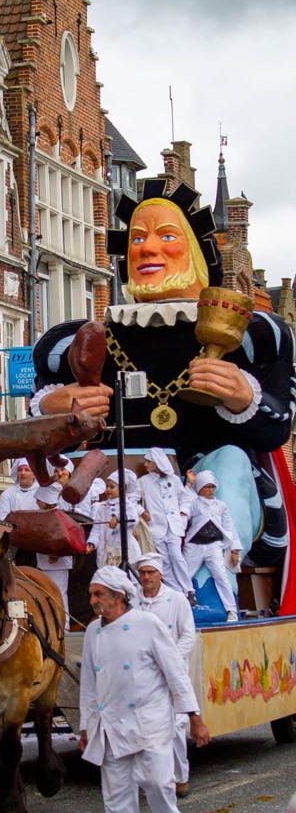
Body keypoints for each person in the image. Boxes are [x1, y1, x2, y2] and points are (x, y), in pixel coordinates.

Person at [30, 181, 294, 572]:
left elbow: (278, 427)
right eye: (138, 239)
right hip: (113, 490)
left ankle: (210, 589)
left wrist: (242, 396)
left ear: (198, 256)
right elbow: (39, 424)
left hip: (202, 487)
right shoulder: (84, 340)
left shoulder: (253, 334)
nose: (147, 249)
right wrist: (53, 407)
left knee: (231, 464)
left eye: (167, 236)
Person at [79, 566, 210, 813]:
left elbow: (175, 673)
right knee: (117, 798)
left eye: (98, 594)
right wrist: (86, 726)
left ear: (118, 596)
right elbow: (89, 685)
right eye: (91, 594)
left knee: (159, 785)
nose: (93, 600)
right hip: (111, 726)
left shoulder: (147, 624)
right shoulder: (92, 632)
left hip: (150, 722)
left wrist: (194, 717)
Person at [135, 553, 196, 798]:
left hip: (172, 673)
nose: (146, 577)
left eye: (151, 572)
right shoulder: (133, 602)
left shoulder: (176, 600)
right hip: (142, 675)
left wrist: (171, 662)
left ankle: (180, 777)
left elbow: (188, 635)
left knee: (177, 725)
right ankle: (152, 778)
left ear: (160, 574)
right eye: (143, 573)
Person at [184, 470, 242, 622]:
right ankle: (180, 606)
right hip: (195, 545)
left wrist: (234, 550)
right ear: (200, 488)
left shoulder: (221, 505)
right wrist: (189, 483)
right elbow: (184, 504)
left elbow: (230, 527)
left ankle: (232, 610)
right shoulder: (194, 502)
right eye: (207, 487)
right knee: (184, 575)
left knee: (221, 576)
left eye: (212, 487)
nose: (210, 490)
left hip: (213, 545)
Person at [139, 448, 194, 601]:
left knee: (177, 556)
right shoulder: (143, 481)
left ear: (156, 463)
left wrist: (183, 513)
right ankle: (177, 592)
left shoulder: (174, 479)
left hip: (174, 525)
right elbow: (131, 499)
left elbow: (185, 499)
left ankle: (188, 589)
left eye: (148, 462)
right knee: (164, 561)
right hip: (156, 526)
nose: (145, 465)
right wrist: (142, 511)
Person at [34, 483, 72, 625]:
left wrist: (56, 553)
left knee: (59, 593)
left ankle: (64, 625)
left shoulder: (61, 516)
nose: (36, 501)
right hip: (44, 563)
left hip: (58, 564)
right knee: (46, 594)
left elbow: (65, 539)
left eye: (39, 499)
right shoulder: (42, 515)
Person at [86, 472, 140, 569]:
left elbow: (133, 519)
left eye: (112, 487)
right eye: (107, 486)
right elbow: (97, 529)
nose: (108, 490)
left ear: (121, 488)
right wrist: (92, 543)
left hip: (124, 549)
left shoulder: (128, 505)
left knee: (128, 577)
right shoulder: (102, 506)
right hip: (107, 551)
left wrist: (118, 518)